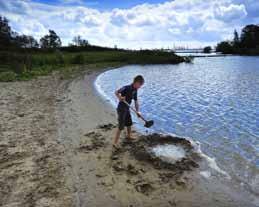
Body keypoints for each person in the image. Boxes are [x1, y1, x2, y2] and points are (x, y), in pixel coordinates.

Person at [113, 75, 145, 148]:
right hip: (121, 109)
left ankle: (128, 135)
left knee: (129, 123)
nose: (140, 87)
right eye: (140, 85)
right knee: (121, 126)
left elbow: (136, 101)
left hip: (127, 108)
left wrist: (137, 111)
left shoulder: (135, 90)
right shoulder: (126, 88)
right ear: (136, 82)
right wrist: (120, 98)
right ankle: (115, 143)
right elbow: (116, 92)